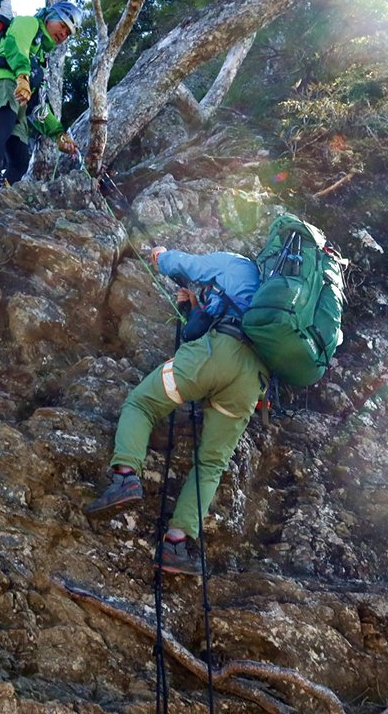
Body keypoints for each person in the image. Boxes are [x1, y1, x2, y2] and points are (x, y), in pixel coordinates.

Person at [85, 246, 268, 575]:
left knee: (141, 402)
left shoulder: (238, 264)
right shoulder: (278, 300)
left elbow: (189, 265)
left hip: (217, 352)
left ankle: (125, 478)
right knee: (211, 462)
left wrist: (161, 255)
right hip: (251, 380)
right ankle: (175, 544)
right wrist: (197, 308)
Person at [0, 0, 84, 201]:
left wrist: (58, 134)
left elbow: (39, 104)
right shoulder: (28, 23)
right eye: (62, 25)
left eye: (68, 33)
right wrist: (23, 77)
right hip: (1, 80)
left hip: (20, 98)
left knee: (20, 159)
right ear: (51, 16)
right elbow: (15, 44)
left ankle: (2, 197)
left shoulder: (41, 56)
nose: (63, 34)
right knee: (1, 128)